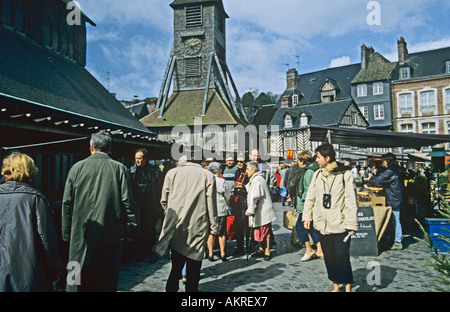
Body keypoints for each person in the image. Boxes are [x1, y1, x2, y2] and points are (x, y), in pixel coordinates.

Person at [62, 131, 140, 292]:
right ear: (110, 148)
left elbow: (66, 203)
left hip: (79, 236)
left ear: (91, 147)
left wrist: (66, 234)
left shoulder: (76, 168)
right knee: (106, 280)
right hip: (110, 236)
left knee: (74, 278)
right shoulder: (120, 169)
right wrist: (133, 227)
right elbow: (128, 202)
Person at [0, 152, 62, 292]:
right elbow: (48, 242)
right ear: (31, 171)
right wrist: (55, 270)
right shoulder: (35, 200)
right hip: (27, 277)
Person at [156, 157, 218, 292]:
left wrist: (171, 214)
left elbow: (163, 200)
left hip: (176, 225)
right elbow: (211, 205)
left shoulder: (172, 173)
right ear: (201, 159)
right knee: (194, 267)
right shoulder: (207, 175)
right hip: (198, 226)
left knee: (176, 266)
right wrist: (214, 226)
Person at [302, 143, 358, 292]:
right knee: (329, 258)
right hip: (322, 225)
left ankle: (347, 287)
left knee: (342, 257)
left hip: (340, 224)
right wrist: (307, 217)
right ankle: (335, 286)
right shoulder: (317, 174)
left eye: (318, 157)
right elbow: (310, 197)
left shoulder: (345, 174)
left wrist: (352, 224)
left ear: (328, 158)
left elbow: (351, 200)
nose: (316, 160)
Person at [129, 148, 162, 263]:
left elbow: (159, 188)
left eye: (139, 158)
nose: (137, 161)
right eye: (135, 159)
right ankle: (142, 253)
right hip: (138, 204)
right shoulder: (132, 171)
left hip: (151, 204)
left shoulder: (155, 171)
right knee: (140, 230)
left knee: (151, 230)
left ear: (146, 159)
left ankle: (152, 253)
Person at [368, 152, 405, 250]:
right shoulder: (394, 170)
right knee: (393, 220)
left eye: (383, 160)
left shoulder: (391, 170)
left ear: (387, 161)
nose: (382, 162)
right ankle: (394, 239)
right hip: (394, 196)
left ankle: (398, 241)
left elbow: (380, 180)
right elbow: (385, 181)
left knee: (396, 219)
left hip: (394, 198)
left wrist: (372, 178)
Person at [291, 151, 323, 261]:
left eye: (299, 160)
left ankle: (309, 249)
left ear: (303, 161)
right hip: (304, 204)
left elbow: (309, 189)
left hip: (305, 205)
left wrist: (303, 199)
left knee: (300, 226)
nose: (298, 163)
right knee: (311, 227)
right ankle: (319, 249)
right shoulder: (307, 170)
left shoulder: (308, 172)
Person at [245, 162, 277, 261]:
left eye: (247, 169)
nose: (246, 171)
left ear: (253, 170)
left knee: (265, 231)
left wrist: (250, 210)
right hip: (261, 210)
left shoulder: (257, 179)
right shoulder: (256, 179)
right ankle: (262, 248)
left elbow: (255, 196)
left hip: (263, 211)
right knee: (260, 230)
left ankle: (267, 250)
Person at [207, 162, 231, 262]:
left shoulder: (206, 180)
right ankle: (222, 253)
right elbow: (228, 194)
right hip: (220, 209)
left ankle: (211, 254)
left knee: (211, 232)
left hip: (209, 209)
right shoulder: (221, 181)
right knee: (222, 232)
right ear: (217, 171)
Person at [231, 155, 250, 255]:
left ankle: (249, 246)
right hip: (238, 200)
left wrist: (243, 186)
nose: (239, 163)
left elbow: (251, 186)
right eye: (238, 161)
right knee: (238, 224)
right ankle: (240, 247)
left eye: (241, 162)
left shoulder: (248, 172)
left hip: (246, 200)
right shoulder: (237, 172)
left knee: (247, 224)